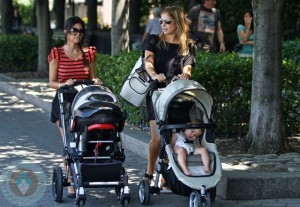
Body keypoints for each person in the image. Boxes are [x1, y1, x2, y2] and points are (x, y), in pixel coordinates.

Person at [48, 16, 102, 198]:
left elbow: (92, 78)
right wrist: (64, 84)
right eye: (74, 31)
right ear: (66, 32)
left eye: (81, 31)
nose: (78, 34)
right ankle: (70, 179)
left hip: (84, 102)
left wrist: (96, 81)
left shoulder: (88, 53)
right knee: (70, 143)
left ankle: (85, 173)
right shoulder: (57, 53)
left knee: (85, 141)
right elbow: (52, 82)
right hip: (64, 103)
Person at [143, 6, 196, 182]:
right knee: (158, 138)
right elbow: (148, 62)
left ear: (178, 22)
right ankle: (149, 174)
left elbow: (187, 68)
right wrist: (154, 75)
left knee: (173, 138)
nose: (163, 25)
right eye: (161, 21)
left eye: (167, 21)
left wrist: (186, 75)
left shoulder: (187, 45)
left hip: (177, 95)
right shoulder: (154, 40)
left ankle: (165, 178)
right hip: (157, 92)